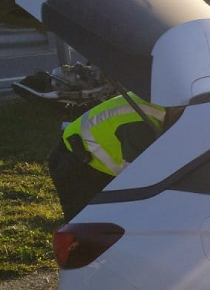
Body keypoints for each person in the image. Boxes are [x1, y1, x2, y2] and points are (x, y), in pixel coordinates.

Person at [47, 92, 180, 220]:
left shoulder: (156, 100)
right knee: (83, 228)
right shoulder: (141, 125)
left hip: (91, 160)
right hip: (75, 164)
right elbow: (137, 182)